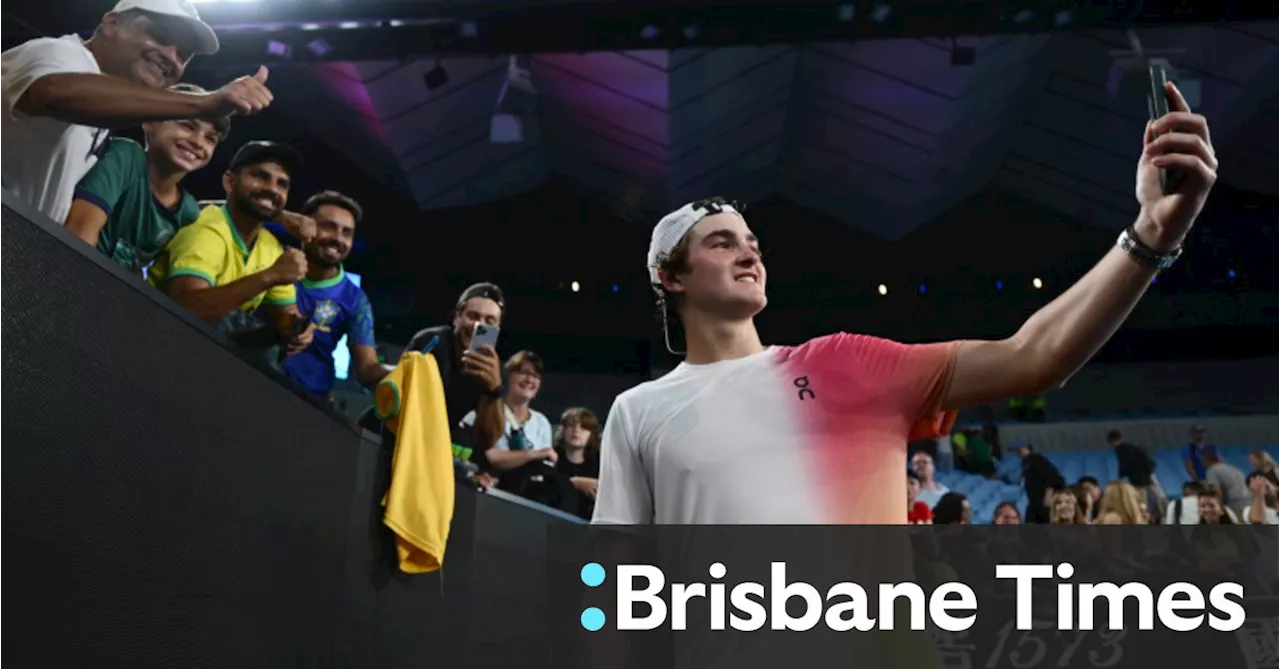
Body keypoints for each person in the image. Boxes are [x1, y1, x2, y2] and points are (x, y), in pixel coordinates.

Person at [592, 81, 1217, 525]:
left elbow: (1035, 357)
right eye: (721, 244)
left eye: (752, 242)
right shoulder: (639, 412)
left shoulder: (846, 363)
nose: (749, 254)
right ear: (669, 277)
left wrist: (1151, 236)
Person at [0, 0, 274, 223]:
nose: (171, 57)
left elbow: (156, 198)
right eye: (161, 36)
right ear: (111, 23)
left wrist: (274, 216)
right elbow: (54, 94)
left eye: (184, 54)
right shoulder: (57, 53)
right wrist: (203, 104)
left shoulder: (106, 100)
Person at [147, 140, 312, 362]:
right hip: (156, 343)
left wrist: (296, 329)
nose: (272, 188)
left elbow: (285, 316)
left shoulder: (270, 246)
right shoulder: (206, 229)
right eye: (259, 176)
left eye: (282, 184)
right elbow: (186, 309)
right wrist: (270, 275)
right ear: (229, 182)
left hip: (201, 356)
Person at [64, 83, 226, 273]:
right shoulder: (126, 156)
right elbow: (80, 232)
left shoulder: (188, 211)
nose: (198, 142)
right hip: (74, 279)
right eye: (187, 125)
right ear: (151, 122)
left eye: (210, 138)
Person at [280, 190, 391, 402]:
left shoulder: (356, 300)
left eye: (347, 232)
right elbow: (212, 211)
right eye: (328, 226)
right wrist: (280, 216)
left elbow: (367, 369)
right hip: (249, 373)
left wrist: (407, 370)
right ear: (305, 224)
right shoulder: (272, 257)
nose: (338, 239)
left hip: (308, 404)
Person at [402, 283, 506, 472]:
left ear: (497, 327)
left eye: (489, 321)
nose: (478, 326)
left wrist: (494, 390)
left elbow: (487, 440)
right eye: (473, 316)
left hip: (431, 453)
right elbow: (408, 408)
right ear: (457, 317)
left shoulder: (493, 368)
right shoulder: (431, 342)